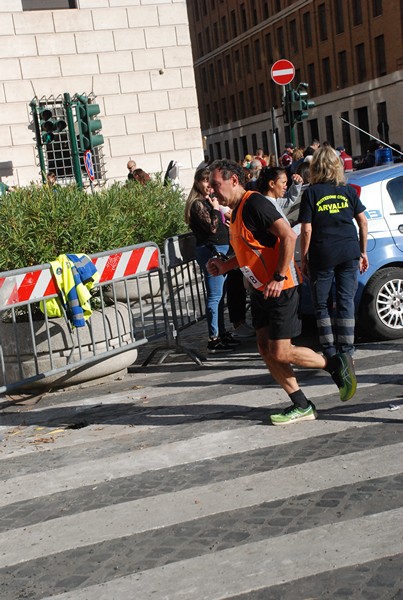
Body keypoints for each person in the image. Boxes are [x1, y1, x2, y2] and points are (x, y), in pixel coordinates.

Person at [207, 159, 357, 426]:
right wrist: (224, 265)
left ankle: (335, 363)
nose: (212, 191)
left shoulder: (255, 203)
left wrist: (278, 276)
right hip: (261, 290)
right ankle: (301, 404)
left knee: (280, 352)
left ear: (233, 181)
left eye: (216, 185)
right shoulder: (238, 211)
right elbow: (250, 252)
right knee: (265, 348)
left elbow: (288, 236)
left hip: (281, 287)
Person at [299, 146, 369, 369]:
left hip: (323, 253)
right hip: (349, 251)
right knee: (346, 301)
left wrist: (304, 258)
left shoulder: (311, 193)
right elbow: (363, 222)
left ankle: (329, 350)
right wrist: (362, 251)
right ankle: (347, 349)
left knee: (322, 304)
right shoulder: (347, 191)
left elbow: (307, 229)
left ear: (315, 167)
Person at [184, 168, 238, 353]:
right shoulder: (198, 204)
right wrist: (215, 209)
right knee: (215, 296)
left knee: (220, 295)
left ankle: (221, 333)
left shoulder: (208, 201)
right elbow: (212, 228)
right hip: (210, 250)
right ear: (197, 182)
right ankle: (214, 338)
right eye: (205, 181)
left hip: (221, 249)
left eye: (210, 181)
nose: (208, 185)